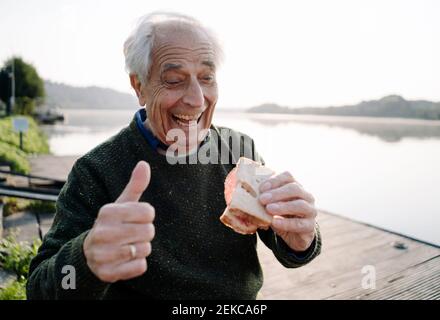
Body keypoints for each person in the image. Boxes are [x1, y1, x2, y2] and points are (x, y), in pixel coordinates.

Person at [27, 12, 321, 300]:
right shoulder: (97, 170)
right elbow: (39, 289)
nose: (196, 99)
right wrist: (86, 257)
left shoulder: (240, 149)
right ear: (139, 86)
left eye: (206, 78)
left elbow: (286, 246)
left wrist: (300, 239)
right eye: (173, 80)